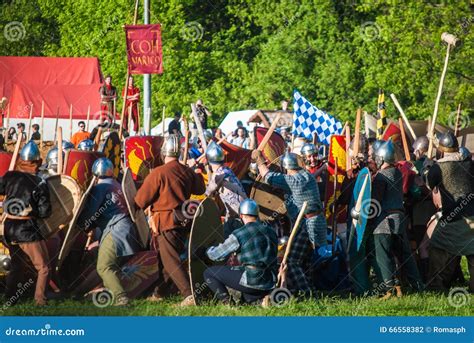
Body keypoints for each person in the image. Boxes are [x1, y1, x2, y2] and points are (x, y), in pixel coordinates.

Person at [134, 135, 205, 306]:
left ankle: (189, 295)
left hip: (165, 221)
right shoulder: (186, 170)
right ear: (179, 152)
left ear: (163, 152)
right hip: (183, 220)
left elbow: (140, 200)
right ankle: (160, 292)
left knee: (170, 259)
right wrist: (195, 173)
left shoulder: (158, 172)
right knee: (167, 258)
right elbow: (200, 188)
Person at [252, 150, 327, 296]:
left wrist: (259, 160)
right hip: (313, 221)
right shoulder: (306, 176)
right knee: (305, 261)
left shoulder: (293, 180)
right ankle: (306, 289)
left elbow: (267, 176)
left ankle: (309, 293)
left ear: (286, 167)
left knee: (292, 261)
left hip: (307, 224)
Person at [76, 158, 141, 306]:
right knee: (110, 265)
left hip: (116, 230)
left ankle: (121, 298)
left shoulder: (100, 188)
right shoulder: (116, 184)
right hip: (126, 228)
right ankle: (107, 292)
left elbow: (91, 212)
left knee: (104, 267)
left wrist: (80, 224)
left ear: (95, 174)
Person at [0, 141, 51, 305]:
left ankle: (9, 297)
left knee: (17, 264)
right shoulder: (40, 183)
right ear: (38, 162)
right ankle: (40, 301)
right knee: (43, 268)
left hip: (7, 228)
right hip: (25, 230)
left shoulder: (9, 176)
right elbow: (45, 212)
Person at [371, 140, 423, 298]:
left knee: (383, 255)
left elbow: (376, 201)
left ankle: (390, 289)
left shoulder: (381, 176)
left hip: (384, 220)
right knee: (405, 255)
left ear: (380, 159)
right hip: (399, 218)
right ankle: (417, 285)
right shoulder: (397, 172)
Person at [203, 199, 278, 304]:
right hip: (269, 281)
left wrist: (206, 250)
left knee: (209, 273)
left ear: (241, 215)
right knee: (247, 300)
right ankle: (261, 301)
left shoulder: (240, 233)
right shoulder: (271, 231)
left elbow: (216, 255)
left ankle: (227, 303)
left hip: (253, 280)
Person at [425, 132, 474, 293]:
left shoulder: (438, 167)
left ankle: (437, 285)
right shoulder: (469, 163)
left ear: (441, 149)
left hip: (454, 217)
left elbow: (429, 185)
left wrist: (427, 167)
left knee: (438, 246)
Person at [205, 142, 247, 237]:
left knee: (233, 236)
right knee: (227, 231)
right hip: (236, 210)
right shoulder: (227, 170)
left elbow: (208, 193)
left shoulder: (218, 175)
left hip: (238, 212)